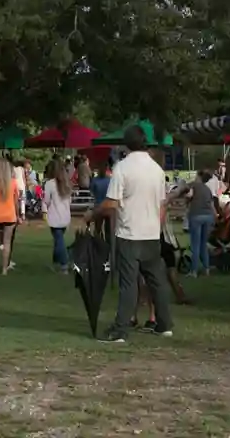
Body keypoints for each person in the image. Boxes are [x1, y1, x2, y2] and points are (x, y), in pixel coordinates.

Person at [86, 124, 173, 342]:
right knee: (156, 281)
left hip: (129, 233)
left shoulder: (122, 168)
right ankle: (164, 324)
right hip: (151, 233)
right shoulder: (157, 170)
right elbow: (162, 204)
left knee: (128, 283)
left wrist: (92, 215)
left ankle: (120, 329)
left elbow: (111, 203)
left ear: (126, 144)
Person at [169, 170, 217, 278]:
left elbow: (187, 195)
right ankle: (206, 269)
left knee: (195, 245)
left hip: (196, 216)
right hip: (208, 216)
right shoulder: (207, 189)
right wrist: (216, 217)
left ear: (198, 176)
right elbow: (212, 205)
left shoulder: (193, 185)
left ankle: (194, 271)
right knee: (203, 244)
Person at [43, 162, 72, 273]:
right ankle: (55, 263)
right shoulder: (67, 184)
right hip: (65, 216)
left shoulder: (50, 184)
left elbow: (46, 200)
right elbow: (69, 201)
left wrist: (45, 209)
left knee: (59, 241)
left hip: (55, 217)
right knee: (58, 241)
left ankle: (64, 264)